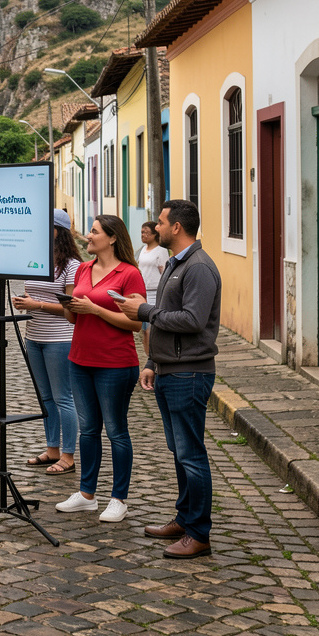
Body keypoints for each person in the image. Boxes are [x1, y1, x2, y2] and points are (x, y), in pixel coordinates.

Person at [121, 199, 221, 559]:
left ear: (176, 227)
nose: (155, 227)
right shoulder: (177, 264)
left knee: (191, 455)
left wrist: (143, 310)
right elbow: (168, 321)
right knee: (179, 453)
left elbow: (192, 320)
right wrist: (152, 361)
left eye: (161, 222)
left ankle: (199, 533)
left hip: (189, 374)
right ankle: (184, 518)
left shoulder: (199, 268)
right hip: (168, 369)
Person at [55, 214, 145, 523]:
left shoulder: (129, 274)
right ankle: (86, 495)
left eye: (93, 232)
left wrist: (94, 308)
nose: (87, 236)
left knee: (117, 431)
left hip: (115, 364)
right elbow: (74, 320)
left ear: (112, 238)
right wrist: (70, 306)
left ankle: (119, 499)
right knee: (89, 430)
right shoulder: (83, 268)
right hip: (80, 360)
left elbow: (136, 323)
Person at [12, 208, 81, 475]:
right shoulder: (37, 260)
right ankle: (52, 449)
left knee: (63, 397)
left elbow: (70, 310)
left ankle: (68, 455)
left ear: (57, 231)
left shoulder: (72, 267)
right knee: (45, 398)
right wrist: (25, 302)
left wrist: (36, 304)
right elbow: (32, 293)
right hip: (35, 337)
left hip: (60, 338)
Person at [138, 220, 169, 334]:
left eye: (146, 232)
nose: (143, 235)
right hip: (143, 292)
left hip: (155, 293)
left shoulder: (161, 251)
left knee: (151, 329)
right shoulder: (143, 250)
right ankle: (147, 351)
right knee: (144, 329)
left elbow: (164, 272)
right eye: (141, 232)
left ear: (155, 234)